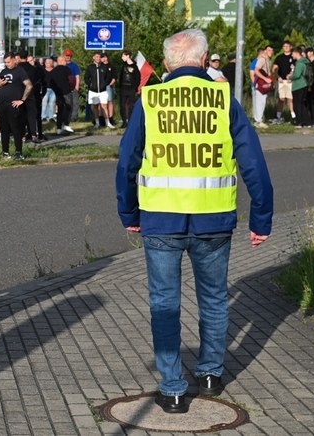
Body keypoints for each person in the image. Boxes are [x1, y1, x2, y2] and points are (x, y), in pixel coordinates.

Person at [116, 28, 274, 414]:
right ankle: (210, 374)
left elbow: (127, 161)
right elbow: (253, 161)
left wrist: (129, 212)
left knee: (164, 303)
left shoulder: (150, 100)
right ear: (204, 61)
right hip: (214, 220)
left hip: (161, 221)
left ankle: (171, 388)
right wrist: (261, 218)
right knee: (215, 298)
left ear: (168, 63)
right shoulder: (223, 101)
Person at [0, 51, 33, 159]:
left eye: (8, 62)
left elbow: (29, 85)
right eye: (5, 62)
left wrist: (22, 100)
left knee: (16, 129)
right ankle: (5, 152)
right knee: (4, 129)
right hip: (3, 104)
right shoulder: (3, 71)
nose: (7, 64)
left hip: (14, 105)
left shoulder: (20, 71)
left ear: (14, 60)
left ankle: (18, 152)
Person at [87, 52, 115, 127]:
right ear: (93, 57)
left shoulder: (104, 67)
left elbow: (108, 77)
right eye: (96, 57)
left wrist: (104, 84)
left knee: (104, 106)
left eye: (99, 57)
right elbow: (86, 77)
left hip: (102, 90)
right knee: (95, 106)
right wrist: (90, 85)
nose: (98, 58)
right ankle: (97, 123)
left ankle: (108, 122)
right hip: (93, 91)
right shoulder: (90, 67)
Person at [46, 55, 73, 134]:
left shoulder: (53, 71)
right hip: (66, 91)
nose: (66, 62)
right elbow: (71, 79)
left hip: (57, 92)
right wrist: (71, 88)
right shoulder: (67, 69)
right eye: (65, 60)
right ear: (62, 61)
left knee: (60, 110)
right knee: (68, 107)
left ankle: (58, 128)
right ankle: (66, 124)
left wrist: (55, 90)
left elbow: (50, 82)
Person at [249, 45, 275, 127]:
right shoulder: (262, 59)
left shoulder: (267, 60)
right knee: (260, 102)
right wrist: (265, 79)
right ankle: (258, 120)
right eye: (269, 50)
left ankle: (258, 119)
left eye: (272, 50)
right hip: (261, 84)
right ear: (265, 51)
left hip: (263, 84)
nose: (270, 52)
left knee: (261, 101)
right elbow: (256, 71)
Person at [117, 51, 141, 128]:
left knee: (131, 105)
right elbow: (120, 77)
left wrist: (135, 87)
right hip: (123, 88)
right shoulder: (123, 66)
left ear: (128, 56)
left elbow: (138, 78)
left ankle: (130, 121)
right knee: (122, 105)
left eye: (123, 56)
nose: (122, 58)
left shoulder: (135, 67)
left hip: (131, 89)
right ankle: (124, 121)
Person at [289, 48, 311, 127]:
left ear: (296, 53)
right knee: (302, 105)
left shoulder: (299, 64)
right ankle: (306, 122)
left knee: (297, 105)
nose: (292, 55)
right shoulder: (305, 62)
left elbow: (297, 75)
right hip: (304, 85)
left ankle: (299, 122)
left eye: (292, 53)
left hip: (298, 86)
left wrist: (290, 77)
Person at [273, 41, 294, 123]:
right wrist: (278, 77)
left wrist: (292, 76)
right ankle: (278, 116)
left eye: (287, 46)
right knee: (281, 99)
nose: (286, 48)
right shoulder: (279, 57)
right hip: (281, 81)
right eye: (284, 46)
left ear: (290, 47)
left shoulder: (293, 57)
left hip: (290, 81)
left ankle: (293, 116)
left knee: (290, 99)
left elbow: (296, 69)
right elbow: (274, 69)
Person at [65, 50, 82, 123]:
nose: (68, 57)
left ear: (71, 57)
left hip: (74, 87)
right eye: (66, 56)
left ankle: (74, 117)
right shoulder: (63, 65)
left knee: (75, 102)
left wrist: (77, 86)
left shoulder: (74, 65)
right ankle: (67, 117)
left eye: (69, 56)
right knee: (67, 103)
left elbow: (77, 76)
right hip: (66, 88)